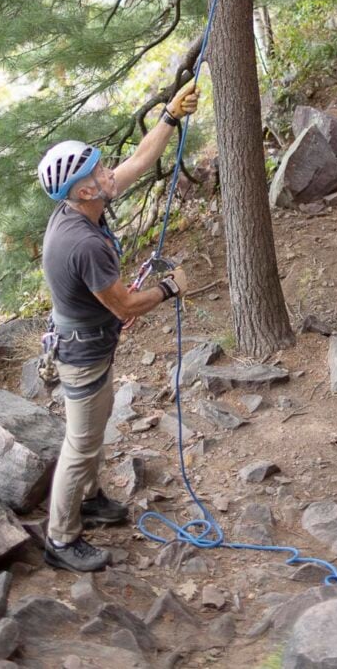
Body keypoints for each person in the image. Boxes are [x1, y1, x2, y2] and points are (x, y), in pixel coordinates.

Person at [36, 79, 199, 572]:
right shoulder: (82, 244)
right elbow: (125, 306)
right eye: (100, 170)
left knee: (93, 429)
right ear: (84, 189)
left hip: (88, 346)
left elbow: (141, 162)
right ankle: (60, 540)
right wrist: (171, 288)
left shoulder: (84, 206)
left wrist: (169, 116)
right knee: (81, 442)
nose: (110, 173)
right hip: (82, 354)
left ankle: (90, 501)